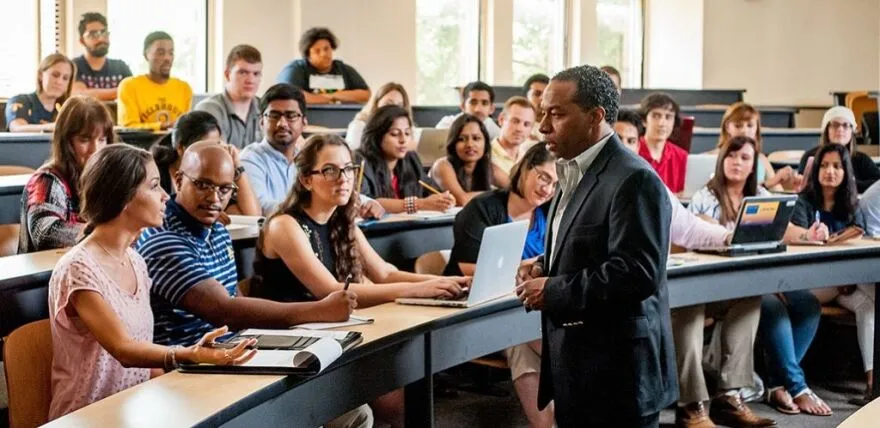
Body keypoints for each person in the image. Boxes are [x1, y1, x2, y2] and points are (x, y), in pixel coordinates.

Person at [136, 141, 372, 427]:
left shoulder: (218, 230)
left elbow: (233, 303)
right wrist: (318, 310)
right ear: (178, 180)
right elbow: (224, 310)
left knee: (354, 411)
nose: (214, 198)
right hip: (189, 370)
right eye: (203, 185)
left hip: (231, 356)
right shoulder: (164, 240)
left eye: (224, 189)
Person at [252, 134, 467, 427]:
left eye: (348, 169)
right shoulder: (284, 225)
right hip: (294, 345)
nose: (343, 178)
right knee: (393, 398)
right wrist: (419, 289)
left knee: (407, 385)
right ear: (305, 180)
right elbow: (331, 292)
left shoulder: (343, 220)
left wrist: (447, 281)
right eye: (330, 170)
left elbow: (385, 273)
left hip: (336, 335)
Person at [514, 65, 677, 427]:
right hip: (579, 367)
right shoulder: (571, 169)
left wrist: (554, 289)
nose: (542, 127)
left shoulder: (634, 178)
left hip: (618, 375)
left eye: (555, 114)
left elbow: (638, 273)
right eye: (542, 113)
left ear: (595, 117)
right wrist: (545, 264)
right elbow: (591, 243)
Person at [46, 144, 254, 421]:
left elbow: (142, 363)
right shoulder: (78, 268)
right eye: (155, 186)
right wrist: (189, 354)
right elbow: (124, 349)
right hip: (88, 416)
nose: (166, 196)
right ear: (124, 197)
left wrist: (189, 381)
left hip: (137, 410)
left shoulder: (135, 261)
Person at [442, 144, 555, 427]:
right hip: (478, 306)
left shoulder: (550, 213)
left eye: (555, 184)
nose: (547, 189)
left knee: (521, 340)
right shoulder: (483, 207)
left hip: (528, 308)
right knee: (523, 336)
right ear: (526, 167)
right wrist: (524, 267)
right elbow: (469, 267)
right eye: (543, 177)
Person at [675, 136, 776, 428]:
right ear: (721, 161)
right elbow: (692, 236)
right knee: (689, 308)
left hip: (731, 283)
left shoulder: (759, 195)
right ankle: (691, 405)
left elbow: (781, 228)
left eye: (745, 158)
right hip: (696, 284)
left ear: (753, 165)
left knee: (749, 297)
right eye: (731, 156)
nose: (737, 163)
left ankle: (729, 395)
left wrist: (808, 235)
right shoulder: (704, 197)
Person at [767, 143, 871, 413]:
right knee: (817, 302)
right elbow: (792, 240)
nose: (830, 171)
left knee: (868, 305)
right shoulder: (804, 202)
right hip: (806, 282)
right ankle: (787, 383)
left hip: (843, 286)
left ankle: (873, 384)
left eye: (837, 166)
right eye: (824, 165)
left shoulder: (852, 206)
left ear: (846, 172)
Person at [19, 96, 113, 253]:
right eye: (84, 140)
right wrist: (106, 233)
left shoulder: (106, 177)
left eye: (102, 139)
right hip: (50, 273)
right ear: (66, 141)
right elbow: (45, 233)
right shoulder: (47, 180)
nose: (95, 149)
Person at [151, 111, 261, 219]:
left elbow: (252, 217)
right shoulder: (154, 175)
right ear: (181, 148)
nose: (214, 153)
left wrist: (237, 166)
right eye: (207, 147)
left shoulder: (217, 178)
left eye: (217, 145)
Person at [358, 105, 456, 214]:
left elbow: (431, 190)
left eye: (407, 133)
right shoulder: (361, 161)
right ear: (377, 135)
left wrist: (443, 200)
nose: (403, 140)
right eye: (395, 134)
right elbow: (365, 202)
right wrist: (419, 204)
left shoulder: (410, 159)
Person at [711, 102, 800, 191]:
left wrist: (791, 186)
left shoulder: (761, 159)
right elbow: (732, 193)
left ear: (757, 128)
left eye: (750, 125)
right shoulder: (713, 157)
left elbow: (777, 191)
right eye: (738, 126)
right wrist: (770, 183)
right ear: (727, 127)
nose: (744, 131)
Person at [117, 31, 193, 130]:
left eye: (171, 53)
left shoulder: (184, 88)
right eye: (161, 53)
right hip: (141, 143)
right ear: (146, 55)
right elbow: (128, 127)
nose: (167, 58)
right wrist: (162, 126)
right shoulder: (130, 86)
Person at [429, 114, 509, 206]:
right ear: (453, 143)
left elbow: (517, 189)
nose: (470, 144)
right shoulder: (442, 165)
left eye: (476, 138)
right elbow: (462, 200)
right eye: (462, 139)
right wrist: (496, 193)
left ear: (486, 143)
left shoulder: (488, 167)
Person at [194, 44, 264, 149]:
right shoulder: (208, 109)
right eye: (243, 72)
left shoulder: (265, 107)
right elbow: (218, 155)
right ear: (227, 75)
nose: (250, 80)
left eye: (256, 74)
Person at [276, 27, 370, 104]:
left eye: (326, 49)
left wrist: (332, 96)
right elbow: (290, 95)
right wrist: (335, 98)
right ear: (308, 55)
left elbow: (365, 94)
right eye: (317, 51)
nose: (324, 54)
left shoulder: (344, 69)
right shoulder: (295, 69)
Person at [798, 106, 880, 193]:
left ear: (852, 131)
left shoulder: (861, 159)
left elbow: (877, 184)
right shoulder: (811, 157)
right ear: (827, 130)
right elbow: (804, 186)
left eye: (846, 125)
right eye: (835, 125)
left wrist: (847, 184)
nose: (840, 129)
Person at [71, 12, 132, 101]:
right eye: (93, 34)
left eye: (104, 33)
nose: (101, 39)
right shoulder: (74, 66)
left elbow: (134, 92)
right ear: (82, 41)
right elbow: (80, 95)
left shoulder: (120, 67)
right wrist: (122, 91)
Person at [5, 53, 74, 132]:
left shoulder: (68, 110)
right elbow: (16, 128)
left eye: (65, 78)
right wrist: (51, 127)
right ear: (41, 75)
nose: (59, 82)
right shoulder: (20, 100)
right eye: (55, 75)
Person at [345, 82, 420, 150]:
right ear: (376, 105)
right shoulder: (359, 125)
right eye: (388, 104)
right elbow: (353, 156)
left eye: (399, 106)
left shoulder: (409, 129)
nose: (394, 110)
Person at [638, 92, 688, 194]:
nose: (662, 123)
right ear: (644, 120)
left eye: (668, 117)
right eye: (656, 116)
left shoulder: (682, 156)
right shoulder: (632, 150)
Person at [435, 81, 501, 140]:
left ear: (491, 109)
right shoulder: (447, 125)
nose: (478, 109)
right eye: (473, 102)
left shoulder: (491, 126)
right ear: (463, 106)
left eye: (484, 103)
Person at [490, 96, 538, 174]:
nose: (520, 129)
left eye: (526, 124)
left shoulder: (529, 160)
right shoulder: (486, 156)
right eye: (515, 121)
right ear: (501, 119)